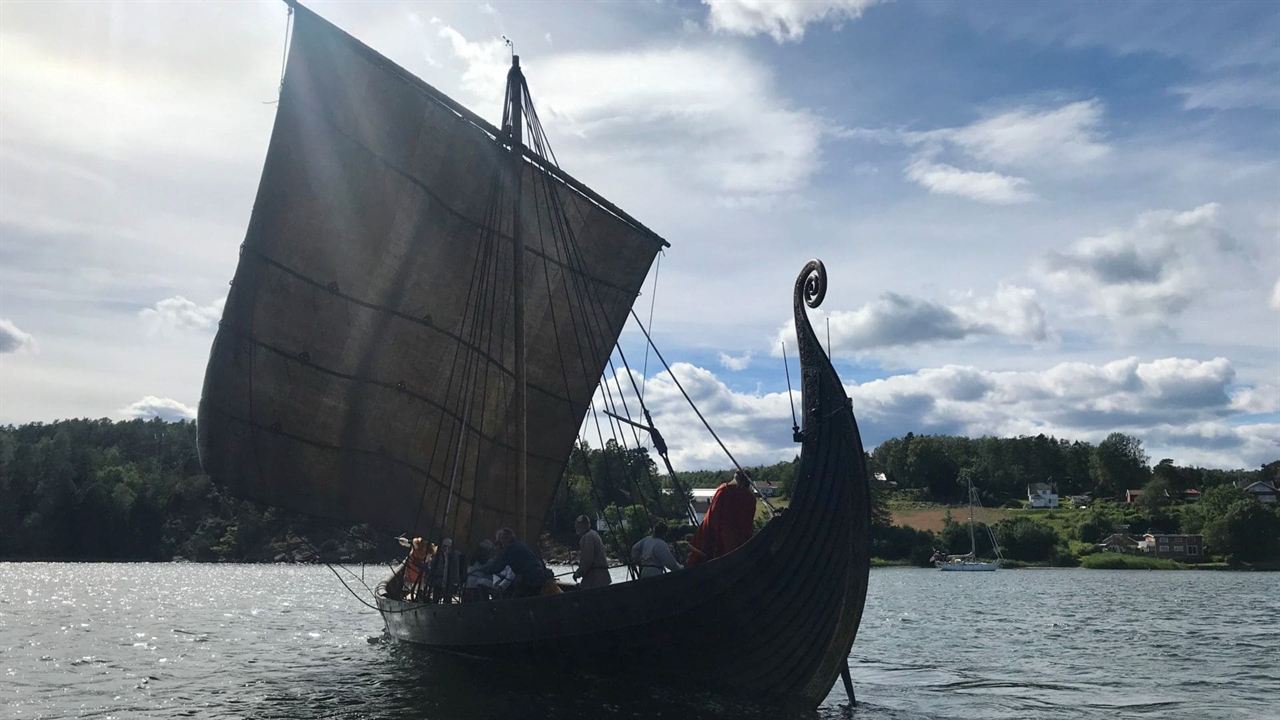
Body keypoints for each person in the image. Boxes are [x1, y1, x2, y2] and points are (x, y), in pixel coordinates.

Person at [686, 470, 757, 566]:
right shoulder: (749, 497)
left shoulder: (725, 490)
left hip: (721, 539)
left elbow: (713, 515)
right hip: (738, 542)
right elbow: (748, 523)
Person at [478, 527, 552, 598]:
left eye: (503, 539)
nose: (502, 542)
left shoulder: (510, 550)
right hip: (538, 577)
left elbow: (497, 567)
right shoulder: (520, 545)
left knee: (516, 600)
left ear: (507, 539)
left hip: (529, 580)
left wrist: (484, 570)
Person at [572, 514, 611, 589]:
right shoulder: (594, 534)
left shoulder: (587, 537)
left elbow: (587, 560)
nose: (576, 528)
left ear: (582, 525)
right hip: (603, 577)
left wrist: (579, 573)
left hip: (595, 578)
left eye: (577, 525)